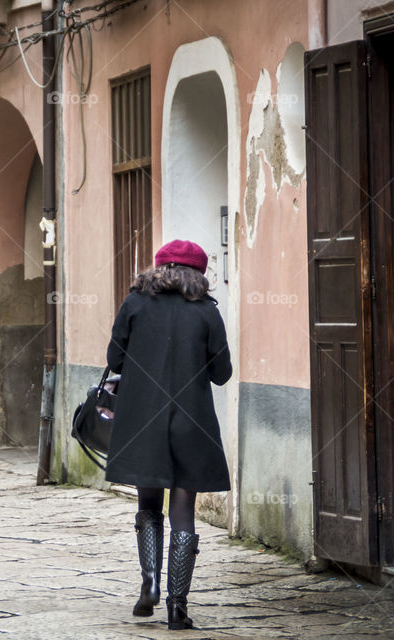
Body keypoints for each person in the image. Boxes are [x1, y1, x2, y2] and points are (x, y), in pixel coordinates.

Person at [105, 239, 232, 631]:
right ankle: (178, 607)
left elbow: (114, 359)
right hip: (191, 421)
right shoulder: (207, 313)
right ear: (198, 274)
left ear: (157, 268)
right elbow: (221, 374)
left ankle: (150, 584)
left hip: (141, 418)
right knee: (183, 510)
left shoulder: (135, 304)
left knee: (148, 502)